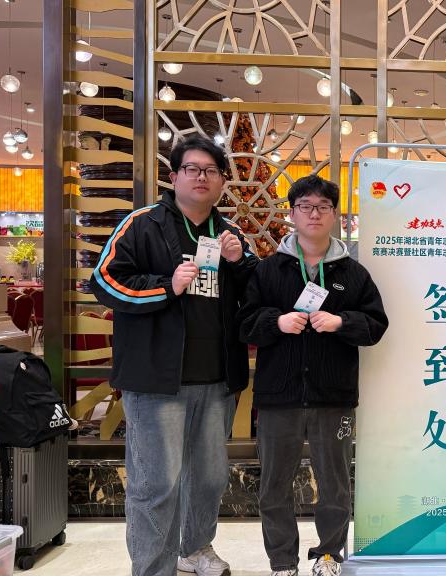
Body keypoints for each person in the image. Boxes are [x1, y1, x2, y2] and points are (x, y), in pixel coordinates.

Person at [91, 134, 257, 576]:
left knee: (209, 479)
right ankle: (153, 568)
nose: (202, 177)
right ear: (174, 176)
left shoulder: (230, 234)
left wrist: (240, 263)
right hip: (156, 381)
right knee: (156, 485)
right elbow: (104, 280)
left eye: (211, 171)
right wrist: (167, 286)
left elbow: (259, 294)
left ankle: (196, 549)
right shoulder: (142, 224)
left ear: (222, 181)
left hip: (217, 381)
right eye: (192, 169)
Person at [239, 174, 388, 576]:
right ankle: (282, 561)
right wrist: (277, 322)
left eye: (323, 207)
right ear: (292, 213)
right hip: (278, 398)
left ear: (335, 214)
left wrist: (341, 322)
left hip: (333, 398)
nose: (314, 214)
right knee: (274, 485)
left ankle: (329, 555)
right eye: (305, 206)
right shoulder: (269, 271)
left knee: (335, 484)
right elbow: (245, 324)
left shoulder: (353, 274)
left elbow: (376, 325)